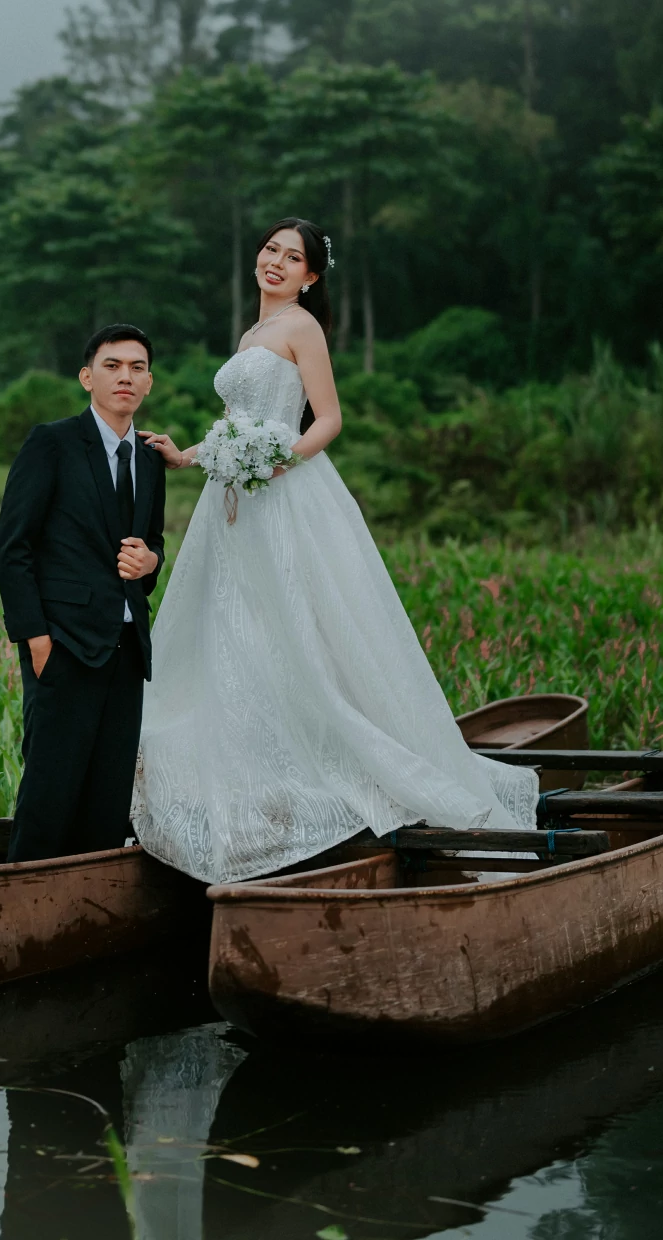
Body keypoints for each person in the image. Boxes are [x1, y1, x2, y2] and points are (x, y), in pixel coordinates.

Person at [133, 219, 538, 883]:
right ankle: (251, 761)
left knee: (297, 622)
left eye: (292, 257)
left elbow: (327, 419)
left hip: (285, 495)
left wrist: (276, 461)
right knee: (235, 625)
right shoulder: (252, 334)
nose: (276, 262)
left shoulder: (301, 327)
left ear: (310, 276)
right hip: (232, 506)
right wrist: (189, 456)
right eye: (270, 249)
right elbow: (235, 425)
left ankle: (335, 761)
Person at [0, 323, 166, 863]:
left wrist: (151, 562)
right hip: (63, 643)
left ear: (149, 382)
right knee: (50, 791)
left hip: (128, 647)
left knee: (108, 798)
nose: (125, 377)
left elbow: (152, 544)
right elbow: (13, 548)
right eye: (112, 366)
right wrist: (36, 639)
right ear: (87, 377)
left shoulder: (150, 457)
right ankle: (21, 901)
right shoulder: (52, 442)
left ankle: (88, 901)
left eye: (137, 368)